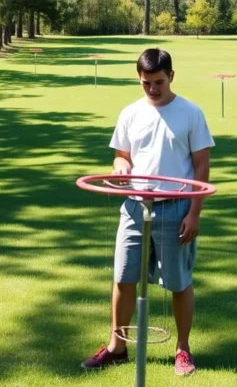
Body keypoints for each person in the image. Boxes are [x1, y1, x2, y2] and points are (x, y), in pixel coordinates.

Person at [82, 48, 215, 376]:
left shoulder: (191, 113)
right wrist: (121, 165)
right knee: (123, 277)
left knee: (179, 282)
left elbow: (202, 166)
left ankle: (182, 350)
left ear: (171, 76)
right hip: (134, 207)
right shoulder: (131, 113)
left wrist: (194, 213)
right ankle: (117, 346)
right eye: (145, 83)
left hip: (176, 207)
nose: (152, 89)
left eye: (158, 81)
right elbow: (121, 155)